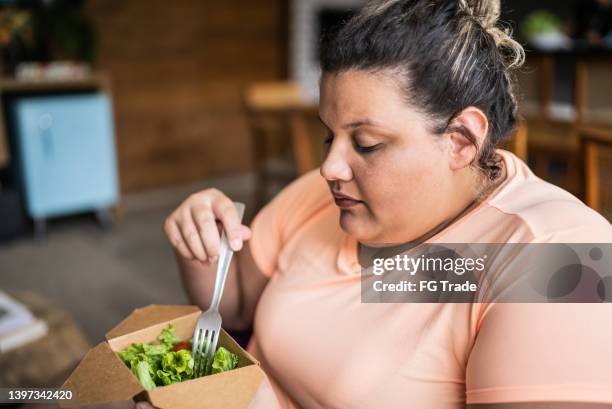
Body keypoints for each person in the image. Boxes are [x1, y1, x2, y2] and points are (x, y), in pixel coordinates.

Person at [142, 0, 612, 408]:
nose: (330, 166)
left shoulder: (558, 256)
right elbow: (236, 309)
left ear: (462, 140)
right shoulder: (322, 195)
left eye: (365, 143)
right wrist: (204, 241)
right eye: (329, 134)